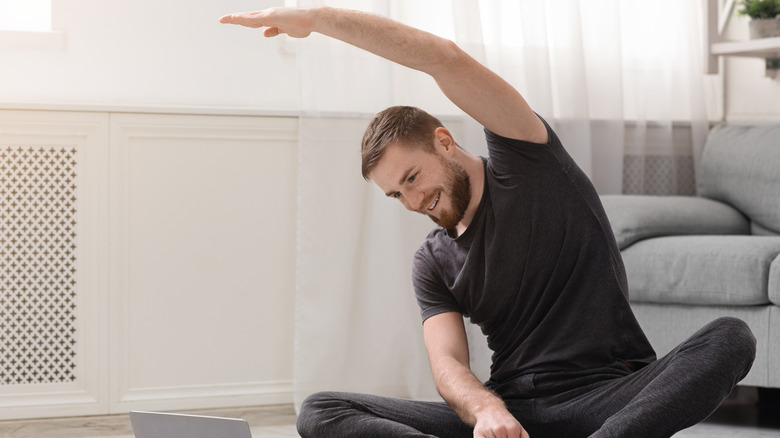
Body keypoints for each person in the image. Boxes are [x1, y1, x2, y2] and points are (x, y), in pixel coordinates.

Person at [220, 6, 757, 438]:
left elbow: (443, 59)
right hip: (512, 414)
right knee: (322, 410)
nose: (411, 201)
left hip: (608, 400)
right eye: (394, 194)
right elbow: (448, 364)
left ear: (444, 143)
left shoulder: (529, 163)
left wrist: (318, 20)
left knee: (731, 339)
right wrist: (485, 411)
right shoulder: (432, 260)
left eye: (412, 178)